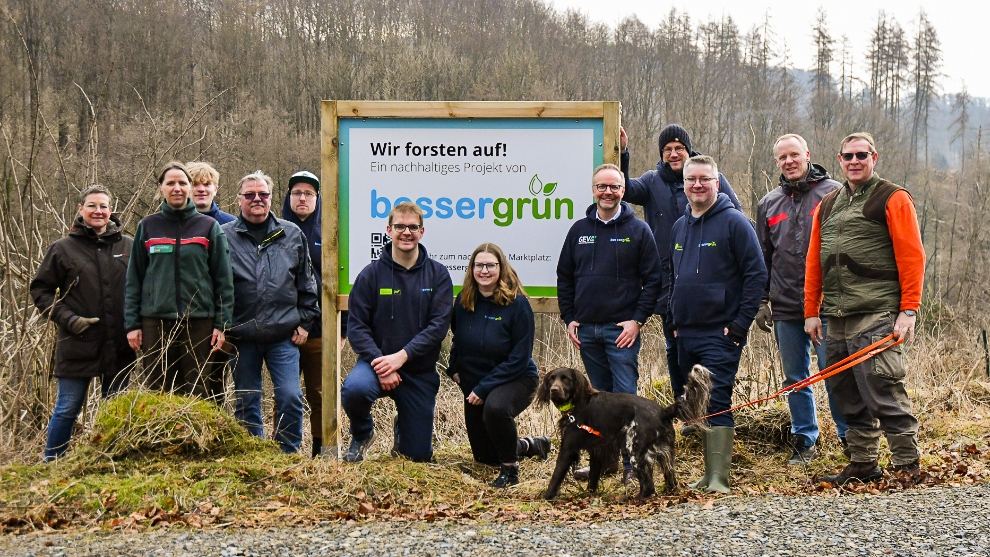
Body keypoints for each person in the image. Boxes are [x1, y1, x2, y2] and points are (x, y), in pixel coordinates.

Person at [805, 132, 925, 485]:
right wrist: (811, 310)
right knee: (846, 393)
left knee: (883, 387)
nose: (854, 161)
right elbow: (815, 261)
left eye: (861, 155)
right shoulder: (827, 204)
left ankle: (907, 464)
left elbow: (912, 256)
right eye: (848, 156)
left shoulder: (893, 197)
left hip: (878, 311)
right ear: (839, 160)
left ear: (874, 157)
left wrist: (909, 309)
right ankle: (863, 463)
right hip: (836, 317)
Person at [619, 125, 743, 419]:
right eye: (667, 150)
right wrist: (623, 152)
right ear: (662, 155)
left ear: (688, 150)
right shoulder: (651, 181)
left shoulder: (711, 178)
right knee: (675, 348)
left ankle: (711, 413)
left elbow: (737, 216)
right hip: (669, 282)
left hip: (711, 280)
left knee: (709, 351)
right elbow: (623, 187)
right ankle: (686, 411)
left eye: (679, 148)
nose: (674, 154)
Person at [556, 163, 663, 482]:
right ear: (593, 190)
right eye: (602, 186)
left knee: (625, 401)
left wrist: (638, 321)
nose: (608, 192)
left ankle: (633, 467)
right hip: (586, 331)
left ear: (623, 190)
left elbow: (654, 280)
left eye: (615, 186)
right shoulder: (578, 231)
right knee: (596, 404)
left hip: (622, 333)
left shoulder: (638, 230)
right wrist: (569, 318)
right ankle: (607, 463)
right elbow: (564, 277)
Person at [669, 155, 767, 493]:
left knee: (717, 397)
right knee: (698, 401)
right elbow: (674, 277)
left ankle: (719, 480)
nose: (697, 185)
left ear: (716, 182)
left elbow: (757, 275)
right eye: (691, 179)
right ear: (683, 185)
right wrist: (674, 322)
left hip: (721, 332)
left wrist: (740, 324)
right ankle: (708, 473)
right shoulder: (679, 227)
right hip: (686, 333)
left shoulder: (735, 223)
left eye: (704, 179)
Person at [755, 133, 847, 465]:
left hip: (828, 306)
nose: (789, 161)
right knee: (796, 378)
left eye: (794, 155)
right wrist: (762, 302)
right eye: (782, 157)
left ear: (807, 155)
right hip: (785, 308)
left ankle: (848, 436)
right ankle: (805, 438)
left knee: (835, 371)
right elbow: (762, 257)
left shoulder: (834, 193)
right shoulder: (769, 203)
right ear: (777, 162)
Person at [341, 202, 453, 463]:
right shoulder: (370, 276)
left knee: (417, 457)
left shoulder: (438, 275)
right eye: (400, 226)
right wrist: (383, 363)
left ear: (421, 232)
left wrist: (402, 357)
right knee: (354, 390)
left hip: (418, 370)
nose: (406, 232)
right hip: (376, 364)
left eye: (412, 227)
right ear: (389, 230)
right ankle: (362, 433)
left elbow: (438, 327)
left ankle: (404, 430)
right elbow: (356, 327)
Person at [32, 185, 135, 461]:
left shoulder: (129, 246)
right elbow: (40, 291)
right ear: (81, 210)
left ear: (111, 210)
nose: (98, 211)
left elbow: (142, 289)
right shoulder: (62, 249)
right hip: (77, 343)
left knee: (115, 410)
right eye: (92, 206)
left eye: (103, 206)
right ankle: (52, 463)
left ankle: (110, 462)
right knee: (67, 408)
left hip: (121, 346)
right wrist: (69, 319)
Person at [223, 171, 320, 454]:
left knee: (290, 397)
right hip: (241, 336)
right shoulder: (224, 237)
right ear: (239, 199)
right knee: (246, 399)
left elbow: (307, 284)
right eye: (250, 195)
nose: (257, 199)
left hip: (283, 335)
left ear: (271, 198)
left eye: (263, 194)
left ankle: (287, 453)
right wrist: (222, 327)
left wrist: (305, 323)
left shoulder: (291, 234)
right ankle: (255, 454)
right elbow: (215, 287)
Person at [124, 161, 234, 401]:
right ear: (161, 188)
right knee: (157, 391)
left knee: (198, 392)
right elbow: (134, 279)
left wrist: (221, 324)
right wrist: (132, 324)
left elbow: (223, 281)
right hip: (155, 323)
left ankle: (195, 438)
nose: (177, 188)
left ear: (189, 189)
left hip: (200, 323)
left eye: (182, 183)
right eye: (170, 183)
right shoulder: (147, 226)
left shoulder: (210, 227)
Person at [448, 243, 550, 487]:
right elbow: (457, 339)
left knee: (495, 408)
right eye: (479, 265)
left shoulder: (517, 305)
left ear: (500, 268)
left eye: (490, 265)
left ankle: (510, 472)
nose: (484, 270)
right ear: (471, 269)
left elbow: (520, 358)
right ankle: (529, 445)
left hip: (516, 378)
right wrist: (454, 368)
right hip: (476, 381)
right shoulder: (463, 301)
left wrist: (484, 389)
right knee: (485, 457)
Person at [280, 170, 329, 457]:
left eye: (309, 193)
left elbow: (343, 282)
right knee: (286, 394)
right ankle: (285, 449)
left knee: (320, 394)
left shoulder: (331, 231)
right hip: (283, 330)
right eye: (297, 192)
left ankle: (322, 451)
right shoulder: (277, 230)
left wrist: (343, 329)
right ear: (289, 197)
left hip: (321, 330)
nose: (302, 198)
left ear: (317, 198)